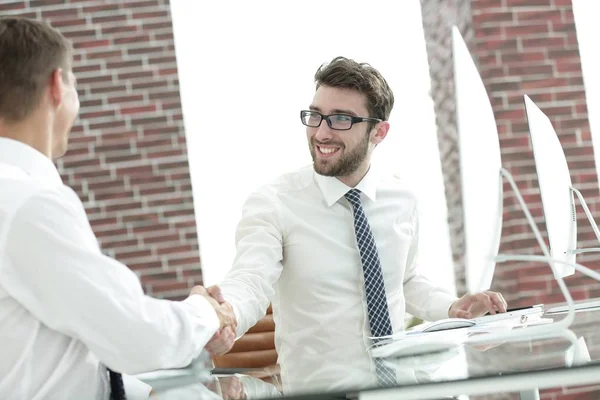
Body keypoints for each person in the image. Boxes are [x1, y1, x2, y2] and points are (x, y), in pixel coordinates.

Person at [209, 56, 508, 392]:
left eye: (340, 119)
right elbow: (250, 279)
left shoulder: (401, 199)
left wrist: (452, 307)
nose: (321, 132)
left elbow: (404, 279)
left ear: (378, 131)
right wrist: (224, 314)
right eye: (315, 116)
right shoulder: (274, 202)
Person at [0, 17, 236, 400]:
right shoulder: (27, 204)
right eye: (74, 80)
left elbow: (49, 355)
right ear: (57, 86)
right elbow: (134, 335)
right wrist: (206, 312)